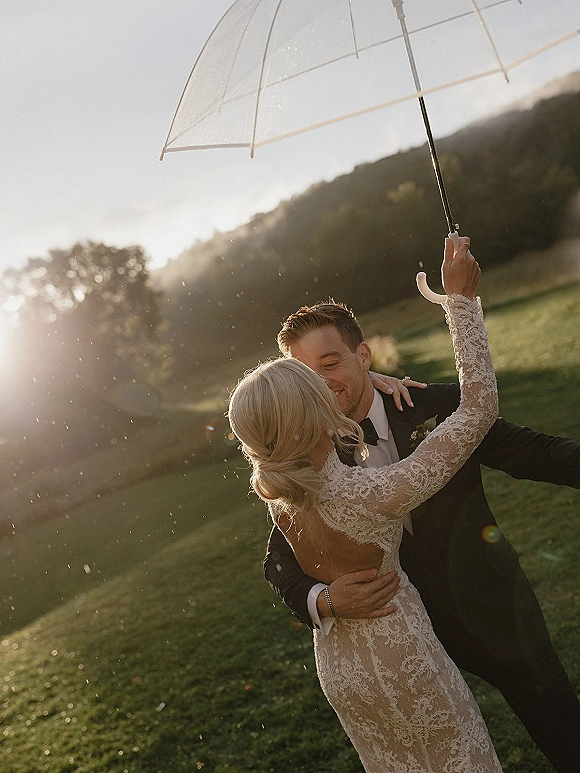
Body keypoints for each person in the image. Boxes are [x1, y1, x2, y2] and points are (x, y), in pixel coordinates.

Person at [264, 262, 580, 772]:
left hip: (491, 603)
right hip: (399, 639)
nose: (321, 384)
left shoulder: (436, 404)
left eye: (331, 363)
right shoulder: (304, 457)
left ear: (363, 356)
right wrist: (322, 599)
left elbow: (533, 452)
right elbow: (278, 560)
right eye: (305, 374)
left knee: (561, 727)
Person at [231, 236, 504, 770]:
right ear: (313, 410)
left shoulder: (280, 488)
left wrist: (370, 379)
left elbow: (319, 431)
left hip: (340, 666)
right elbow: (479, 407)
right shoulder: (370, 493)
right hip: (402, 655)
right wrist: (461, 305)